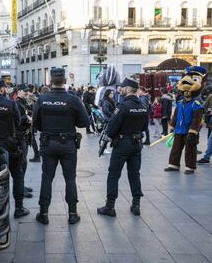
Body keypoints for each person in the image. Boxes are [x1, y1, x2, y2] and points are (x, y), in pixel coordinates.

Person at [33, 68, 89, 225]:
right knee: (70, 178)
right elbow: (84, 123)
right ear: (65, 81)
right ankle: (72, 213)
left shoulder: (42, 99)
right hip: (68, 144)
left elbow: (36, 123)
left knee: (47, 178)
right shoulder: (73, 99)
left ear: (51, 81)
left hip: (48, 143)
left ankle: (43, 213)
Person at [97, 78, 148, 217]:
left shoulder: (123, 106)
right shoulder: (143, 106)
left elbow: (113, 127)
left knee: (114, 174)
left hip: (122, 144)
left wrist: (109, 137)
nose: (120, 89)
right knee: (134, 174)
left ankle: (110, 206)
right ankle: (136, 204)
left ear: (129, 89)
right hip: (137, 144)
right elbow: (144, 127)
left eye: (123, 87)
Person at [0, 79, 30, 218]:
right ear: (2, 89)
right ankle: (19, 208)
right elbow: (18, 122)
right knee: (17, 174)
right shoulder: (11, 104)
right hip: (10, 144)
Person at [15, 84, 34, 198]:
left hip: (25, 136)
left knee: (24, 163)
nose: (27, 93)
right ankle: (20, 188)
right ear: (18, 92)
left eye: (27, 91)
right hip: (20, 136)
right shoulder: (17, 103)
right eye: (24, 91)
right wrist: (26, 118)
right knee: (21, 163)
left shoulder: (25, 102)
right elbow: (17, 120)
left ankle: (22, 185)